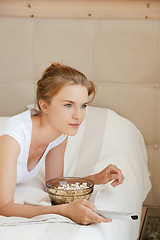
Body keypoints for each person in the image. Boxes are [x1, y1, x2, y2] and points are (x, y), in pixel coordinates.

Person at [0, 63, 124, 225]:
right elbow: (4, 207)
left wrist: (95, 179)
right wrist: (63, 210)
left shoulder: (59, 133)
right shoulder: (13, 137)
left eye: (83, 106)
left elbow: (54, 185)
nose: (78, 115)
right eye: (68, 105)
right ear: (44, 105)